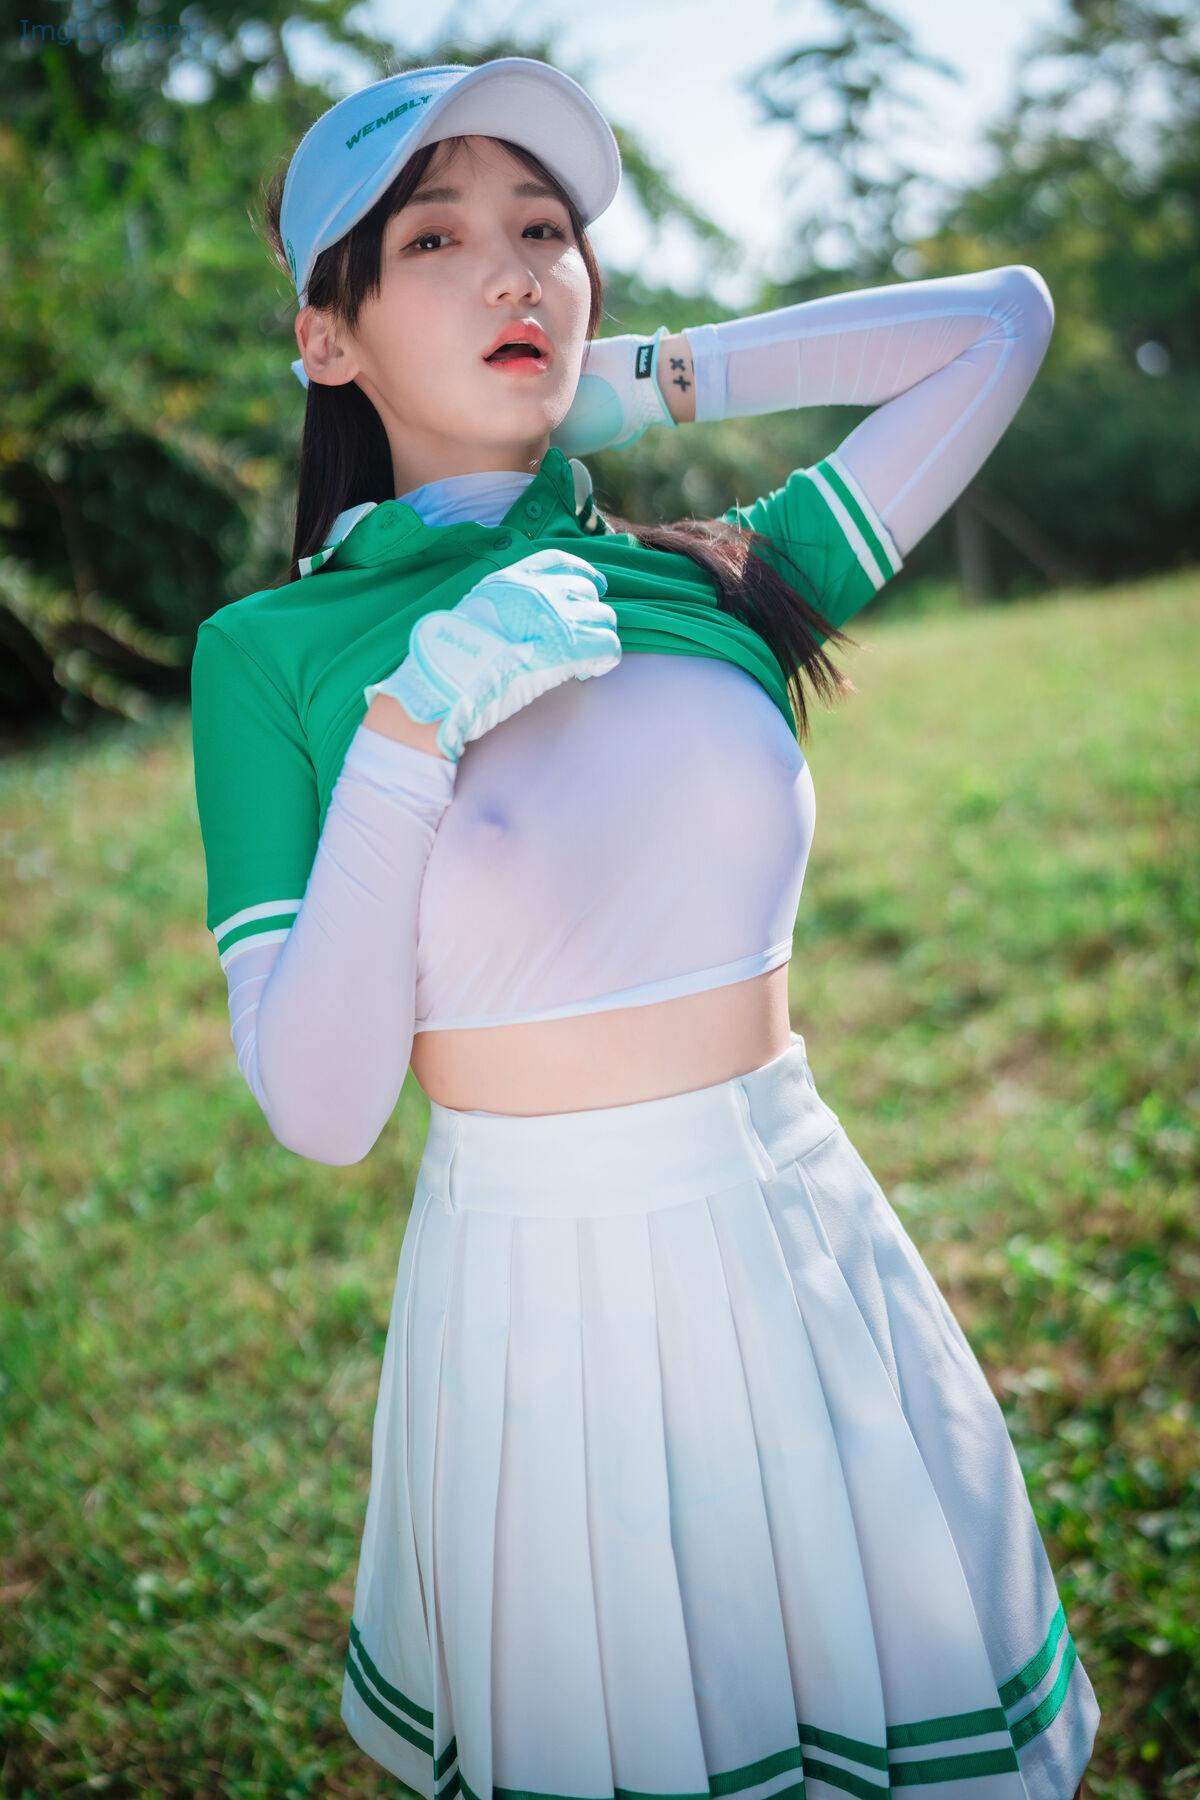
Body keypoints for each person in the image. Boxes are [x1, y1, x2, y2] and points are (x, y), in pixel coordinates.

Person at [190, 56, 1099, 1800]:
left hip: (799, 1233)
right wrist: (407, 738)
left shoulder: (714, 576)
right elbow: (321, 1108)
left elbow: (1001, 325)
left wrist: (634, 384)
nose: (513, 271)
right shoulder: (269, 656)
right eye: (435, 240)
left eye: (546, 232)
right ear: (327, 337)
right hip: (545, 1300)